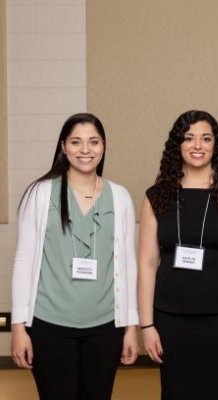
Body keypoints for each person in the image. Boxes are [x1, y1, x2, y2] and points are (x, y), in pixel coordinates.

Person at [11, 113, 139, 400]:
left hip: (105, 327)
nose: (85, 150)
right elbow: (23, 261)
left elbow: (129, 265)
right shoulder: (40, 194)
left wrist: (131, 327)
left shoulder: (120, 197)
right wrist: (18, 327)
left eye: (93, 142)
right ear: (63, 147)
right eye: (76, 142)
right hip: (49, 325)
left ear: (103, 146)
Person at [138, 110, 218, 400]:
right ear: (176, 145)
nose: (198, 145)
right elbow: (146, 263)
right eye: (189, 138)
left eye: (206, 138)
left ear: (216, 146)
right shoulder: (156, 197)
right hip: (171, 320)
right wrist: (147, 325)